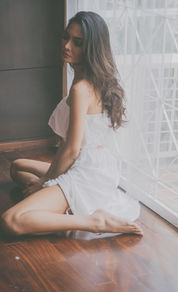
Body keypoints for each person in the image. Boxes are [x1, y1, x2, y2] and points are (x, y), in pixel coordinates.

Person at [1, 11, 143, 237]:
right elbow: (72, 148)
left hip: (88, 169)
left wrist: (46, 182)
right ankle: (55, 204)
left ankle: (92, 221)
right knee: (17, 166)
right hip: (96, 164)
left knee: (11, 221)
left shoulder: (81, 89)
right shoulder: (87, 80)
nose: (67, 46)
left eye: (77, 42)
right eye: (66, 37)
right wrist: (45, 184)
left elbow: (72, 149)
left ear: (91, 48)